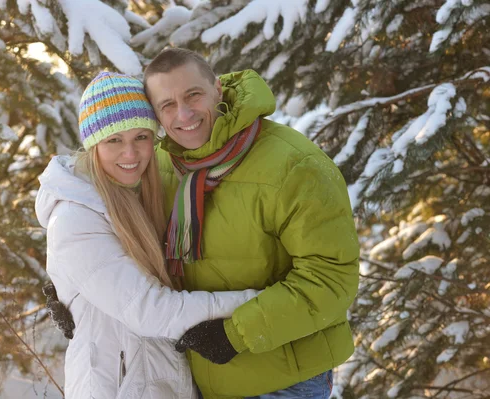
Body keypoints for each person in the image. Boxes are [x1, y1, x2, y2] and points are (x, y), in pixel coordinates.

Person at [143, 48, 360, 399]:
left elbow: (331, 277)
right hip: (202, 380)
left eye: (193, 95)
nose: (183, 114)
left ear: (217, 89)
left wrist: (237, 334)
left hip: (285, 379)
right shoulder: (162, 167)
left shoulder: (293, 165)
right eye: (166, 105)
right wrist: (76, 291)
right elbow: (125, 237)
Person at [34, 72, 259, 399]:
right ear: (92, 144)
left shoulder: (139, 193)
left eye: (141, 137)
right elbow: (154, 312)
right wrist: (261, 303)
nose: (131, 154)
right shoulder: (74, 219)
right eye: (114, 140)